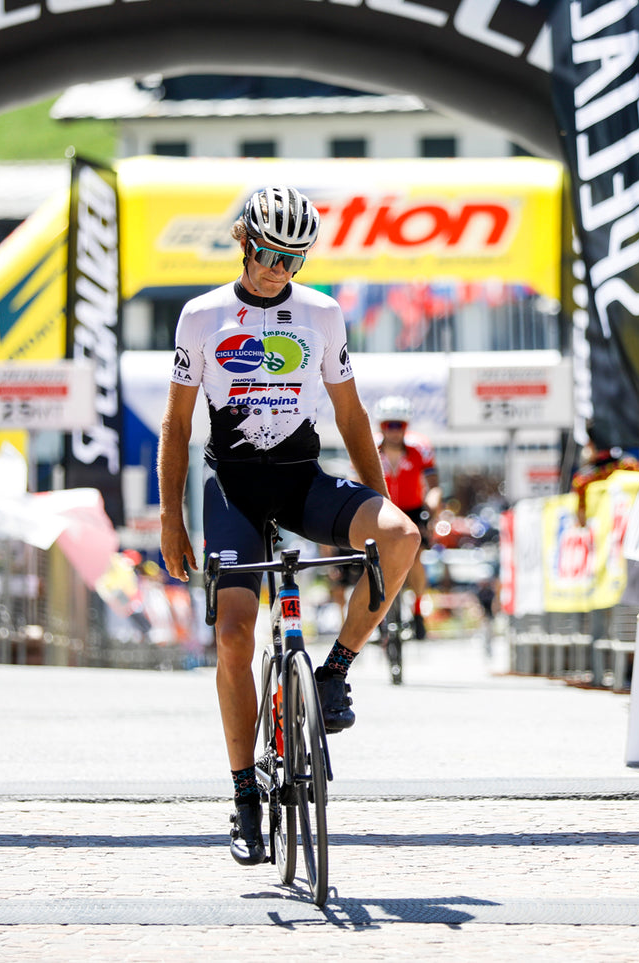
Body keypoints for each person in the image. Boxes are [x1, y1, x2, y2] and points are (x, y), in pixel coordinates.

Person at [157, 186, 420, 868]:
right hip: (233, 489)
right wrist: (169, 518)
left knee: (402, 536)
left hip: (302, 477)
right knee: (235, 635)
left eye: (295, 258)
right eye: (271, 252)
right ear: (244, 240)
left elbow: (352, 416)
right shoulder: (201, 316)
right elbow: (178, 424)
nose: (281, 268)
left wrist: (378, 505)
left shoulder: (322, 315)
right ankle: (244, 793)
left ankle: (333, 671)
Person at [373, 395, 442, 639]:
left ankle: (417, 611)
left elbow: (434, 486)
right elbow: (356, 481)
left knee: (415, 559)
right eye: (387, 425)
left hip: (413, 509)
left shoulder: (420, 449)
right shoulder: (369, 448)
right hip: (382, 508)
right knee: (375, 562)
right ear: (381, 427)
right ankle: (378, 617)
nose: (393, 431)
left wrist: (431, 510)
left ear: (406, 426)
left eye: (398, 425)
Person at [570, 441, 639, 527]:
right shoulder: (629, 465)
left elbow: (581, 518)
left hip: (610, 527)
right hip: (626, 524)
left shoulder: (582, 480)